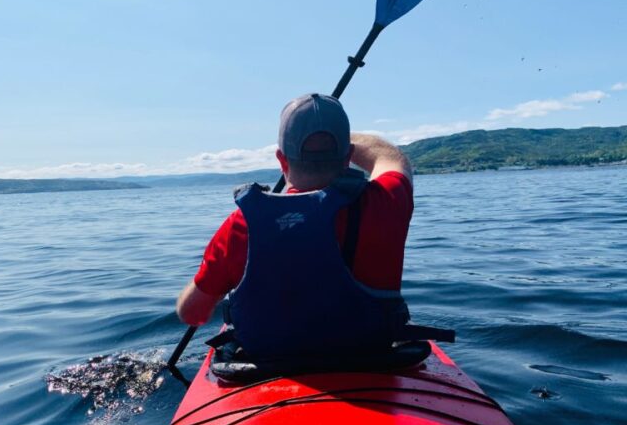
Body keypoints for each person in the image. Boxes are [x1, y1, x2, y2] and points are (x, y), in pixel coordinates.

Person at [176, 93, 448, 360]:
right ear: (348, 156)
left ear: (281, 159)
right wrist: (340, 137)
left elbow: (192, 314)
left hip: (271, 365)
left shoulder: (242, 226)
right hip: (370, 356)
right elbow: (391, 158)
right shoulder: (386, 201)